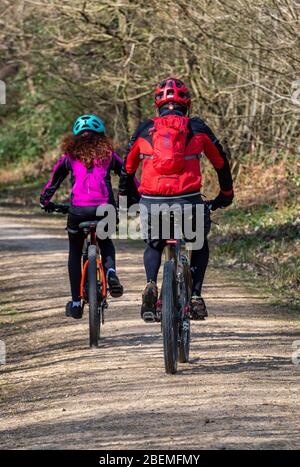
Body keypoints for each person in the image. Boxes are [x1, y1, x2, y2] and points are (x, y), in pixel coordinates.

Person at [119, 78, 234, 322]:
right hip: (189, 201)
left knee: (154, 244)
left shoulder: (144, 129)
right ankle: (196, 297)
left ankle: (151, 284)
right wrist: (226, 194)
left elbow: (127, 170)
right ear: (187, 103)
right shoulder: (198, 128)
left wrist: (128, 199)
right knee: (199, 243)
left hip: (152, 201)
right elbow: (221, 163)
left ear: (157, 104)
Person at [40, 114, 124, 319]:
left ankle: (76, 302)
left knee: (75, 251)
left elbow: (54, 180)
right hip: (105, 208)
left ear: (76, 137)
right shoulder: (109, 154)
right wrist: (136, 196)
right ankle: (111, 272)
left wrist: (45, 201)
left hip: (78, 211)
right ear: (101, 136)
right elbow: (127, 174)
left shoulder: (69, 156)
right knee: (105, 241)